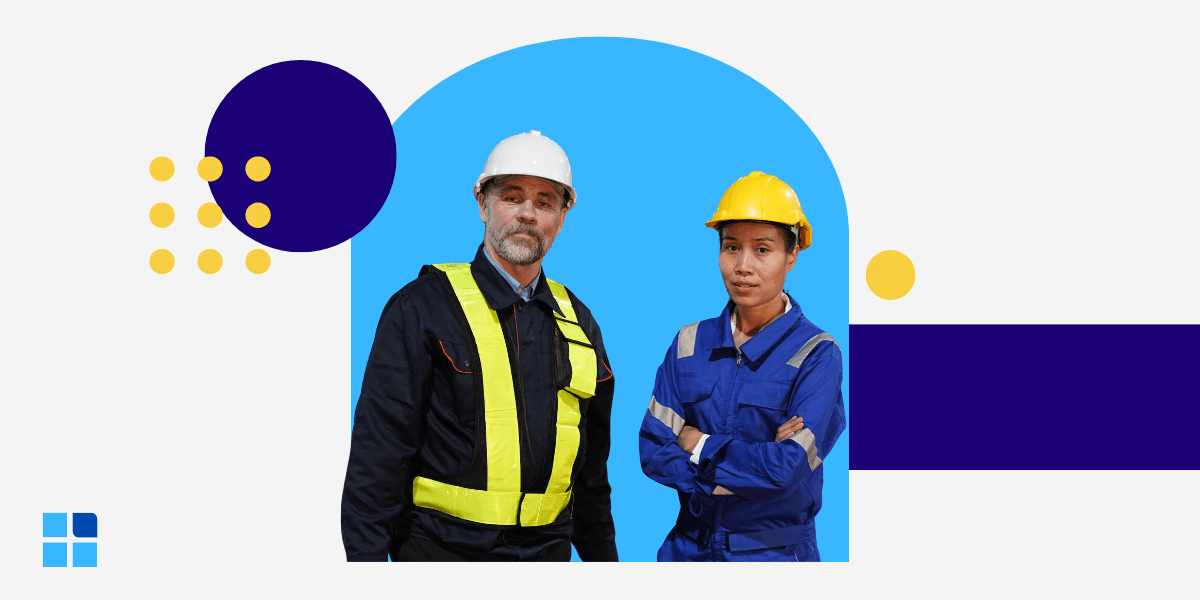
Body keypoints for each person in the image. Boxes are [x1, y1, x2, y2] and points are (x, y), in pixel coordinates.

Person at [342, 131, 618, 562]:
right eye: (512, 197)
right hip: (441, 557)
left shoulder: (579, 322)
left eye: (545, 202)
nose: (528, 213)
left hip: (548, 559)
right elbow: (378, 459)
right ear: (483, 204)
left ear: (562, 218)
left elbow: (590, 476)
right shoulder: (422, 308)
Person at [638, 171, 846, 562]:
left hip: (773, 554)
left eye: (762, 250)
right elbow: (653, 449)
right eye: (731, 248)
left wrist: (697, 444)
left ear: (792, 255)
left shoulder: (817, 354)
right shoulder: (688, 344)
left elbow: (787, 469)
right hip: (687, 550)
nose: (742, 266)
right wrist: (740, 471)